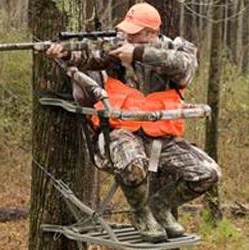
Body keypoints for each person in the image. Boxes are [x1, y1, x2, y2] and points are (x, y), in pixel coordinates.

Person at [46, 3, 221, 243]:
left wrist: (138, 54)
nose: (127, 36)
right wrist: (66, 54)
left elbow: (185, 68)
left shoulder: (177, 48)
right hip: (122, 133)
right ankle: (140, 214)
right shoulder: (117, 49)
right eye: (127, 31)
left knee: (207, 173)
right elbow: (89, 56)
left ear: (151, 33)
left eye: (135, 32)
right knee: (133, 164)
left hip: (162, 138)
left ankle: (160, 205)